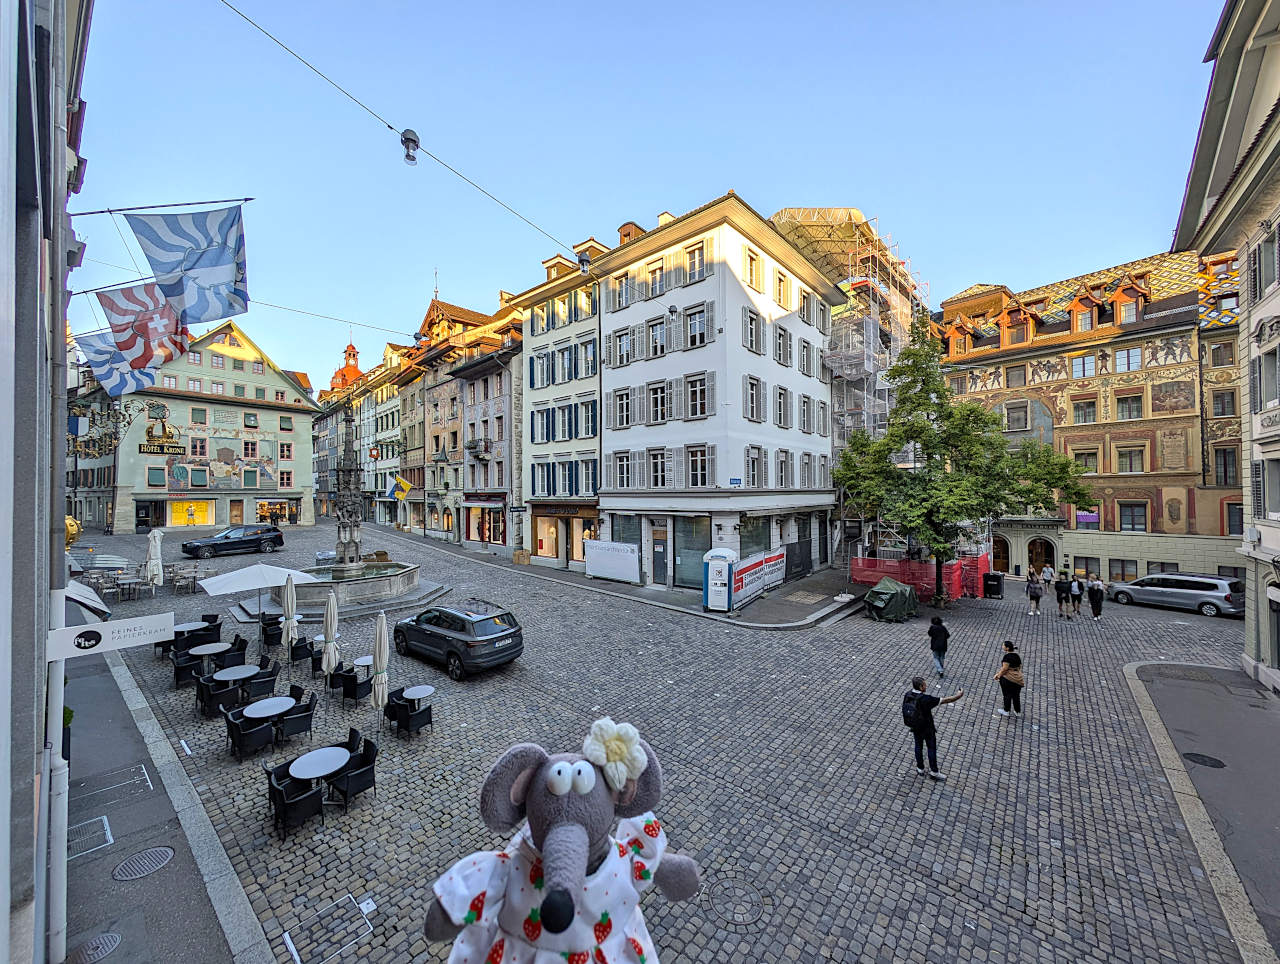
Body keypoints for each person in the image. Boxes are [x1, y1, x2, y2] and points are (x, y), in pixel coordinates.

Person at [902, 677, 964, 781]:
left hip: (915, 726)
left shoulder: (907, 694)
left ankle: (920, 768)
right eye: (924, 685)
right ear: (921, 687)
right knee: (931, 748)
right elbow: (946, 700)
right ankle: (934, 772)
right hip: (927, 728)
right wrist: (959, 695)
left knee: (918, 746)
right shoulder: (926, 699)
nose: (926, 686)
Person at [993, 640, 1024, 717]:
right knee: (1016, 696)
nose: (1002, 646)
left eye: (1003, 645)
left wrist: (998, 675)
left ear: (1007, 648)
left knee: (1007, 694)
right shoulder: (1017, 656)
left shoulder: (1007, 657)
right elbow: (1020, 666)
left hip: (1008, 679)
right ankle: (1017, 711)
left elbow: (1004, 669)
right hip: (1018, 679)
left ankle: (1006, 710)